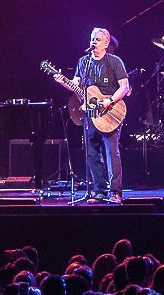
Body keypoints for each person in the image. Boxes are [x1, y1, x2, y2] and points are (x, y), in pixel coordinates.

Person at [53, 28, 129, 203]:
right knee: (91, 153)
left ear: (106, 43)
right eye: (92, 39)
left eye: (98, 39)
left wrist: (110, 100)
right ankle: (99, 191)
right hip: (91, 115)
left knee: (112, 153)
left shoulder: (114, 62)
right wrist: (62, 81)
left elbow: (124, 87)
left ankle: (115, 192)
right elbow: (75, 85)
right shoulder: (84, 62)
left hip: (110, 112)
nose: (93, 42)